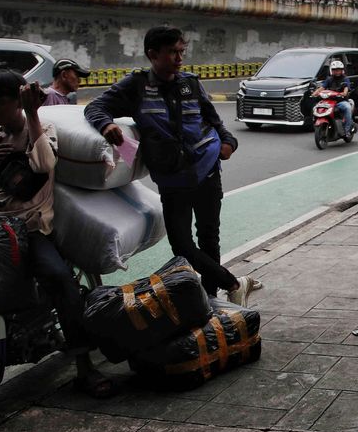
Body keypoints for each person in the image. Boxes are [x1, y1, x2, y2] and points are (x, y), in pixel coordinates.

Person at [0, 70, 116, 398]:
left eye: (1, 102)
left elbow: (45, 162)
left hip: (30, 229)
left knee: (61, 280)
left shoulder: (41, 128)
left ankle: (84, 366)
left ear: (18, 102)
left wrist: (32, 115)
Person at [84, 26, 259, 304]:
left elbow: (215, 122)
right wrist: (106, 125)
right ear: (153, 54)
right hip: (173, 179)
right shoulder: (136, 86)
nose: (179, 59)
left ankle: (211, 297)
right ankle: (235, 283)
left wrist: (229, 144)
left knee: (209, 239)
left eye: (181, 52)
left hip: (208, 172)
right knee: (181, 244)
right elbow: (95, 107)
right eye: (172, 53)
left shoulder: (190, 82)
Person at [313, 60, 356, 140]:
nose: (337, 72)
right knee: (316, 107)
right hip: (329, 102)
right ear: (331, 71)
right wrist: (315, 93)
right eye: (335, 70)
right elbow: (322, 87)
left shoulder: (345, 79)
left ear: (342, 70)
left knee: (347, 108)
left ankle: (347, 131)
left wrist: (344, 93)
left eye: (339, 70)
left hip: (341, 101)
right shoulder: (329, 79)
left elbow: (346, 87)